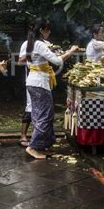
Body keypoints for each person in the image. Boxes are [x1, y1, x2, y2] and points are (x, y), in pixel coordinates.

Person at [24, 18, 79, 159]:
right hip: (39, 83)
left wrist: (60, 52)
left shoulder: (33, 42)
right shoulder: (39, 44)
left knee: (39, 115)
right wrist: (71, 51)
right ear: (42, 30)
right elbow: (58, 61)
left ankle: (42, 146)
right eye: (48, 29)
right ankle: (33, 147)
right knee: (45, 115)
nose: (49, 32)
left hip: (34, 81)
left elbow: (52, 55)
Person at [17, 32, 52, 147]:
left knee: (43, 110)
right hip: (33, 77)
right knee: (30, 106)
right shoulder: (27, 44)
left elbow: (53, 56)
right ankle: (23, 135)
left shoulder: (46, 43)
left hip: (45, 78)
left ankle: (40, 139)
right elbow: (20, 60)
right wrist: (31, 54)